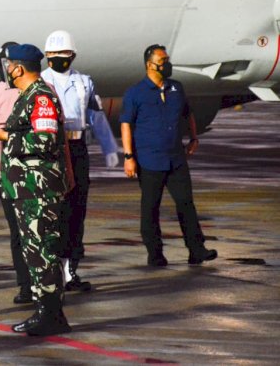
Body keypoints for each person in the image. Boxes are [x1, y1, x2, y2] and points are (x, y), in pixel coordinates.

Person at [0, 44, 71, 336]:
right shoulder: (26, 96)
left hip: (39, 190)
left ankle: (51, 314)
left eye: (9, 66)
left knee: (42, 251)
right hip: (26, 189)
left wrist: (5, 137)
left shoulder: (41, 97)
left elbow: (45, 141)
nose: (7, 71)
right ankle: (45, 310)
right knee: (34, 252)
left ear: (18, 68)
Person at [120, 44, 218, 267]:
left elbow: (187, 113)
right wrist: (128, 157)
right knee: (150, 208)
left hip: (176, 158)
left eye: (167, 60)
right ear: (149, 65)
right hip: (149, 160)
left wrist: (194, 137)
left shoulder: (176, 88)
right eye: (162, 61)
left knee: (186, 203)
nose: (167, 64)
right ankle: (155, 254)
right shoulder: (136, 93)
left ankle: (197, 250)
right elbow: (126, 123)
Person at [41, 30, 115, 292]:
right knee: (55, 211)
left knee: (77, 210)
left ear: (72, 56)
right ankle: (52, 270)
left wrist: (109, 147)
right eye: (53, 55)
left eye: (63, 55)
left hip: (77, 146)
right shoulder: (41, 82)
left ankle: (71, 271)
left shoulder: (84, 82)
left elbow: (97, 116)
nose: (58, 59)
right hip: (53, 148)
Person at [0, 41, 35, 305]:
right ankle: (25, 285)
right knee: (17, 233)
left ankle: (48, 285)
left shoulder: (39, 92)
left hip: (35, 176)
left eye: (5, 64)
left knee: (40, 232)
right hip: (7, 176)